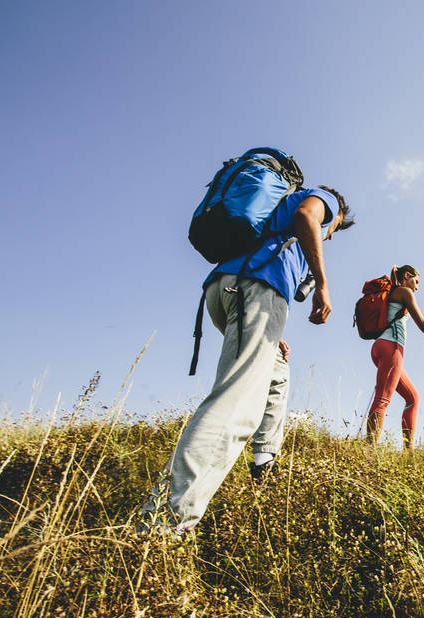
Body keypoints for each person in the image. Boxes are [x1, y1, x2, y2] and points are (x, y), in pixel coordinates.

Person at [138, 185, 354, 534]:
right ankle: (162, 526)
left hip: (226, 290)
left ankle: (264, 458)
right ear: (337, 214)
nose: (328, 235)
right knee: (237, 405)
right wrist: (324, 284)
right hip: (257, 287)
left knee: (276, 371)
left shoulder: (276, 205)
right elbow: (307, 218)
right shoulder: (322, 200)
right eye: (333, 230)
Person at [365, 265, 424, 449]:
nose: (417, 287)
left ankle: (408, 452)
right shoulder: (404, 292)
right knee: (383, 399)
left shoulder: (391, 293)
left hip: (379, 347)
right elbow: (423, 324)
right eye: (416, 281)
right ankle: (369, 451)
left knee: (412, 397)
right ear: (407, 276)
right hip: (392, 348)